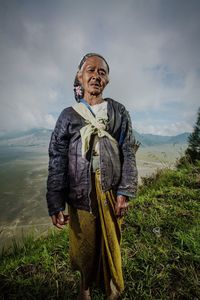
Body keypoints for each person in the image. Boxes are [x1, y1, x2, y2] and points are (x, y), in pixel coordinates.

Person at [46, 53, 138, 300]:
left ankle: (112, 288)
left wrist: (124, 191)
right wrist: (55, 200)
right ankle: (84, 288)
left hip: (110, 188)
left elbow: (128, 150)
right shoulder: (68, 115)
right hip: (79, 191)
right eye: (90, 70)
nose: (96, 76)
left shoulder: (118, 111)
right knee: (83, 242)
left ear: (107, 80)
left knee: (110, 239)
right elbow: (57, 158)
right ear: (79, 76)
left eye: (102, 72)